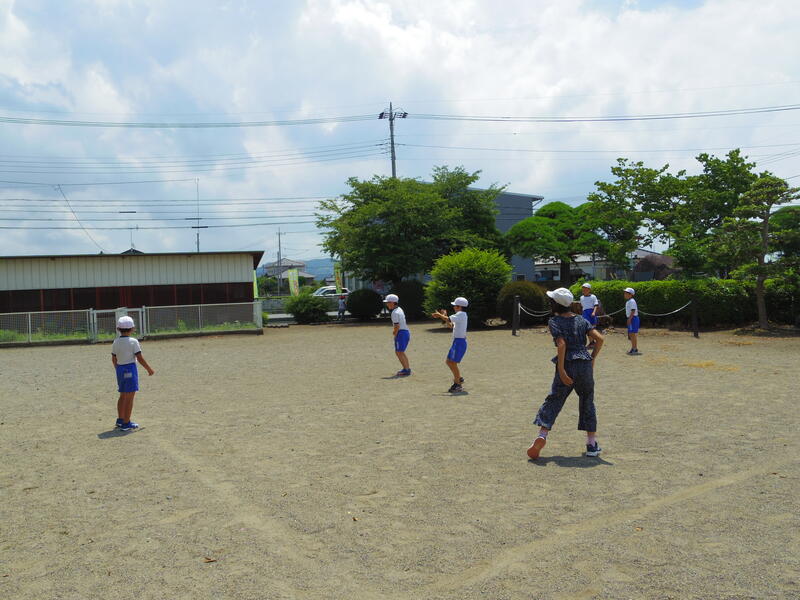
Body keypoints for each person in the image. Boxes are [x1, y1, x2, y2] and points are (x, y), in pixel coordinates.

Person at [527, 288, 604, 460]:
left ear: (555, 304)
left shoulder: (554, 321)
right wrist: (592, 358)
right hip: (584, 364)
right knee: (587, 401)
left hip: (567, 363)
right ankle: (591, 444)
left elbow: (561, 345)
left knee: (554, 399)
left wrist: (561, 370)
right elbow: (600, 339)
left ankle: (542, 435)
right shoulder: (582, 320)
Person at [111, 315, 155, 431]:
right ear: (132, 329)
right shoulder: (133, 341)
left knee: (122, 395)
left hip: (120, 368)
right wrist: (149, 369)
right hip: (130, 368)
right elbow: (139, 357)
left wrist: (118, 369)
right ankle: (127, 423)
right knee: (130, 397)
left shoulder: (116, 342)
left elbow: (114, 359)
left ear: (118, 329)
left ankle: (120, 419)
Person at [431, 297, 468, 393]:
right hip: (457, 342)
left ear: (459, 307)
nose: (454, 307)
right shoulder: (460, 315)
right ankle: (459, 378)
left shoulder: (461, 314)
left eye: (455, 306)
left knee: (451, 362)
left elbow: (448, 319)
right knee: (449, 362)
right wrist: (444, 316)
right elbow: (450, 325)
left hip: (459, 342)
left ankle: (458, 384)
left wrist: (440, 315)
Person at [384, 294, 411, 376]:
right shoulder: (399, 309)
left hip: (401, 333)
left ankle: (406, 370)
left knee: (399, 352)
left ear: (393, 302)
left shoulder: (394, 313)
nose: (387, 304)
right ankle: (406, 368)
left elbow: (397, 326)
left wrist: (395, 334)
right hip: (404, 332)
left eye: (388, 302)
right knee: (400, 352)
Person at [624, 287, 641, 355]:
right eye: (625, 293)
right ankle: (633, 348)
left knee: (632, 334)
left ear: (631, 294)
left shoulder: (632, 301)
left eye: (626, 293)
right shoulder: (629, 301)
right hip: (631, 318)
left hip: (633, 318)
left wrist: (629, 319)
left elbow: (633, 310)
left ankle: (635, 349)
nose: (625, 294)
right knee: (631, 334)